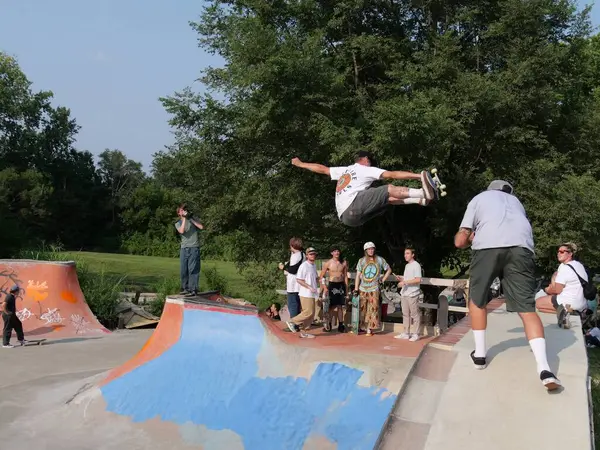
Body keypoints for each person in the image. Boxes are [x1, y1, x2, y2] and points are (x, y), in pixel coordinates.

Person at [454, 180, 560, 391]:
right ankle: (544, 369)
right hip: (522, 250)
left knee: (477, 300)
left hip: (487, 247)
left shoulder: (479, 198)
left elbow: (460, 240)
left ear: (490, 189)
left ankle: (480, 356)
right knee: (527, 309)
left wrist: (469, 238)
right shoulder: (517, 203)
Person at [291, 151, 439, 227]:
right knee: (388, 189)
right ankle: (422, 192)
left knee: (386, 200)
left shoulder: (345, 170)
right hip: (353, 206)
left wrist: (301, 164)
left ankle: (419, 199)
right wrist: (419, 176)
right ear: (366, 160)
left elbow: (322, 169)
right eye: (370, 162)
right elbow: (392, 175)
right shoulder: (366, 169)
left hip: (347, 218)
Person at [536, 242, 589, 329]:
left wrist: (547, 289)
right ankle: (569, 312)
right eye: (558, 251)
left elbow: (557, 290)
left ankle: (566, 311)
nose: (558, 253)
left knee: (537, 303)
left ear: (570, 254)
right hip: (581, 304)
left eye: (562, 251)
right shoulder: (579, 265)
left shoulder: (565, 268)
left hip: (568, 301)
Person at [355, 242, 392, 336]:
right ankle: (361, 327)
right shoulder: (362, 261)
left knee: (373, 308)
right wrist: (356, 288)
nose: (371, 251)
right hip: (363, 288)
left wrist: (382, 279)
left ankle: (370, 328)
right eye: (369, 249)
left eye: (372, 249)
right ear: (365, 251)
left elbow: (388, 269)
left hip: (374, 288)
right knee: (362, 308)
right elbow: (358, 275)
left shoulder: (379, 260)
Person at [285, 247, 319, 339]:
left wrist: (320, 283)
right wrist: (309, 287)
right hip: (305, 293)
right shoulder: (304, 266)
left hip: (312, 293)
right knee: (308, 312)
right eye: (311, 254)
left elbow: (315, 278)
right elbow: (299, 279)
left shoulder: (314, 265)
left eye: (314, 254)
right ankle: (293, 321)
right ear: (307, 255)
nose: (313, 255)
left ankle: (304, 332)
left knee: (311, 315)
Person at [394, 247, 423, 342]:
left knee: (415, 314)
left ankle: (416, 334)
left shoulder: (416, 265)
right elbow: (408, 278)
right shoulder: (407, 266)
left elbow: (418, 279)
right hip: (405, 293)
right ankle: (406, 333)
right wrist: (401, 279)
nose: (405, 255)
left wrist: (405, 282)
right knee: (405, 314)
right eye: (405, 253)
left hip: (413, 293)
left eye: (407, 253)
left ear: (413, 254)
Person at [175, 203, 204, 297]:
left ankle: (193, 289)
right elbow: (182, 231)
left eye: (184, 210)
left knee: (193, 269)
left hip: (194, 247)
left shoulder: (192, 219)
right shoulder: (178, 223)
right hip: (184, 248)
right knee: (184, 270)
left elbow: (201, 227)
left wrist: (190, 218)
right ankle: (185, 288)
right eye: (181, 211)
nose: (183, 211)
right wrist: (184, 219)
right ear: (179, 213)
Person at [319, 246, 349, 333]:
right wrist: (324, 287)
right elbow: (321, 276)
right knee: (331, 307)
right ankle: (329, 324)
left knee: (340, 306)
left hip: (341, 285)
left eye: (338, 251)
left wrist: (346, 289)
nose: (337, 253)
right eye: (335, 251)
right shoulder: (328, 263)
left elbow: (346, 276)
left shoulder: (343, 263)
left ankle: (340, 325)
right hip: (332, 285)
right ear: (332, 253)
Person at [278, 237, 305, 324]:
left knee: (292, 305)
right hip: (300, 284)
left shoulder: (295, 256)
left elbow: (292, 270)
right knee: (297, 305)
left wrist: (283, 268)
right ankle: (298, 323)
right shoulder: (303, 255)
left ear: (292, 245)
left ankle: (293, 324)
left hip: (293, 285)